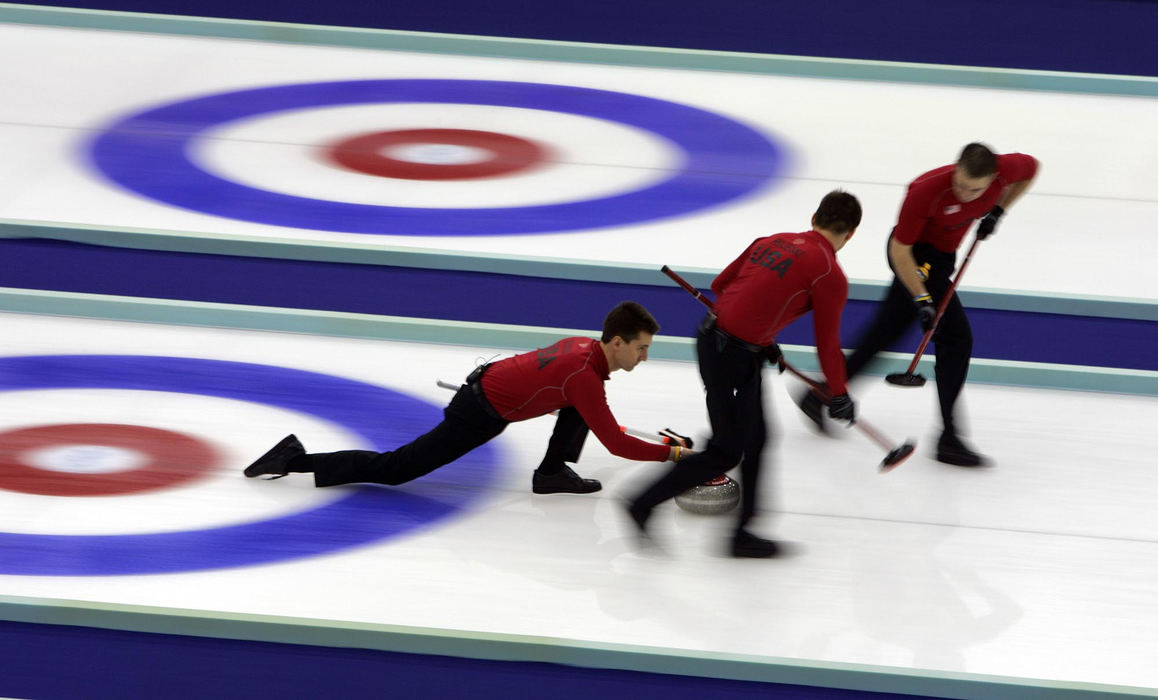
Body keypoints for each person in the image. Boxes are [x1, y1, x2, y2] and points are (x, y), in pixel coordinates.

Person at [626, 190, 862, 558]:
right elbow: (827, 345)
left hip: (715, 340)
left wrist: (762, 334)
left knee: (757, 440)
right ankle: (642, 503)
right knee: (726, 451)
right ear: (851, 234)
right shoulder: (830, 273)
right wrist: (839, 393)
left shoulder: (772, 241)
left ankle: (742, 531)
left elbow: (723, 286)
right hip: (732, 355)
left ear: (814, 217)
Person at [243, 301, 691, 492]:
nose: (644, 358)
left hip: (486, 385)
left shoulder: (583, 349)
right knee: (397, 469)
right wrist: (671, 456)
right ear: (616, 342)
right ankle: (296, 459)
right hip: (477, 412)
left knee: (577, 408)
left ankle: (552, 473)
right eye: (641, 348)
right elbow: (615, 442)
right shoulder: (585, 378)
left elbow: (558, 386)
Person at [796, 143, 1039, 467]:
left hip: (943, 255)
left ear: (994, 177)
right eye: (961, 184)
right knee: (956, 338)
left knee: (886, 331)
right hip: (916, 258)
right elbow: (900, 250)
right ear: (955, 168)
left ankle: (822, 395)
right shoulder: (925, 190)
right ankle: (949, 439)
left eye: (975, 189)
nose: (966, 193)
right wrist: (922, 298)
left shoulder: (1007, 170)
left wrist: (998, 210)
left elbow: (1031, 169)